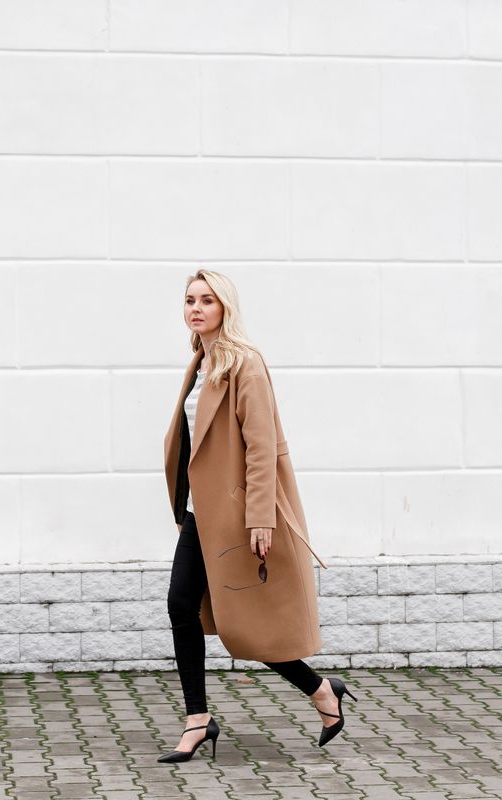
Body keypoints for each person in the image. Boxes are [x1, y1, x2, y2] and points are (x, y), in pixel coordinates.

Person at [157, 268, 358, 763]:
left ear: (226, 307)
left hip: (237, 517)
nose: (196, 308)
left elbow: (261, 444)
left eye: (207, 300)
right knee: (181, 606)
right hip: (199, 514)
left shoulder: (245, 363)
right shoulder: (200, 361)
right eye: (189, 300)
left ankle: (321, 691)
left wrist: (260, 517)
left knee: (247, 623)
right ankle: (198, 719)